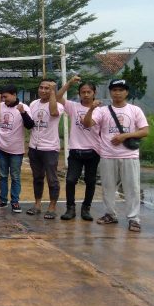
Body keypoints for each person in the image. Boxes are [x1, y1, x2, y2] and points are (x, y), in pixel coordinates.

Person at [83, 79, 149, 232]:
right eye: (114, 90)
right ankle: (110, 214)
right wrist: (91, 109)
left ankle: (134, 219)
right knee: (108, 187)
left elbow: (145, 131)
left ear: (126, 92)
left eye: (121, 90)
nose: (117, 93)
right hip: (108, 155)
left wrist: (124, 136)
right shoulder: (102, 111)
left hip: (129, 155)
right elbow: (87, 124)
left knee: (132, 188)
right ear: (110, 92)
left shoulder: (135, 110)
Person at [57, 76, 101, 221]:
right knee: (70, 180)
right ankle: (70, 208)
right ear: (79, 93)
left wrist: (92, 108)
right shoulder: (73, 106)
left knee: (90, 181)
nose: (86, 94)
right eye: (83, 92)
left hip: (93, 151)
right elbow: (57, 97)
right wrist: (69, 83)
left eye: (89, 92)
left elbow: (87, 123)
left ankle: (86, 208)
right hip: (75, 150)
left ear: (94, 93)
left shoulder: (100, 110)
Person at [0, 85, 34, 213]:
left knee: (15, 176)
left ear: (14, 95)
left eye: (6, 96)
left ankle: (15, 201)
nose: (4, 99)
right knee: (2, 176)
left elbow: (30, 125)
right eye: (2, 97)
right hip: (1, 147)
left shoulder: (23, 107)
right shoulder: (1, 106)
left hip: (16, 150)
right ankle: (3, 200)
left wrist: (23, 112)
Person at [27, 79, 64, 219]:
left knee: (52, 178)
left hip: (50, 148)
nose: (43, 90)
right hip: (34, 147)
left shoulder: (58, 105)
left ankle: (52, 207)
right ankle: (37, 204)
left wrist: (53, 93)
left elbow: (53, 112)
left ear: (52, 90)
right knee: (37, 177)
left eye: (47, 88)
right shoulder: (33, 104)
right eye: (41, 87)